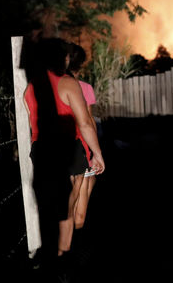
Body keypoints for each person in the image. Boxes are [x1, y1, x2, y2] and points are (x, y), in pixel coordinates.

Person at [23, 37, 105, 265]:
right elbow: (86, 123)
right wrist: (97, 154)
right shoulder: (68, 83)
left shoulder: (30, 87)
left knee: (48, 206)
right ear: (63, 58)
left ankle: (50, 257)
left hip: (41, 151)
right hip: (68, 149)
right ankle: (62, 261)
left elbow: (32, 123)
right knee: (66, 210)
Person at [66, 43, 99, 230]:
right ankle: (69, 244)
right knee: (80, 208)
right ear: (81, 64)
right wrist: (96, 151)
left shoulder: (55, 87)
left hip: (58, 146)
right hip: (82, 148)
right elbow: (88, 121)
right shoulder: (85, 88)